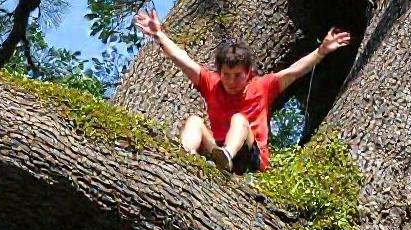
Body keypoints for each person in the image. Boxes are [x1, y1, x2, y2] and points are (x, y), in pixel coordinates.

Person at [133, 9, 351, 173]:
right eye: (226, 75)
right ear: (219, 72)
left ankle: (227, 155)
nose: (231, 81)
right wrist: (159, 35)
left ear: (248, 73)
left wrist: (321, 51)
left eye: (237, 75)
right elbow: (183, 60)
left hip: (250, 158)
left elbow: (294, 72)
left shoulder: (262, 86)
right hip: (217, 152)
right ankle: (183, 159)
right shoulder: (211, 83)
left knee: (239, 119)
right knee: (194, 121)